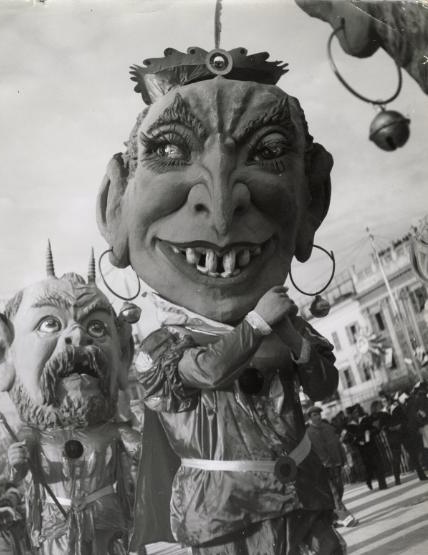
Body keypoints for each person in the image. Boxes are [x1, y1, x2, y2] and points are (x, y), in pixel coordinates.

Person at [97, 42, 344, 553]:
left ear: (313, 196)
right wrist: (256, 325)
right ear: (115, 207)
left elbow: (323, 384)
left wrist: (291, 333)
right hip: (221, 518)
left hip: (303, 506)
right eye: (168, 151)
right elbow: (203, 374)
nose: (222, 205)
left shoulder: (287, 322)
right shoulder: (160, 349)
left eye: (269, 152)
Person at [0, 247, 140, 555]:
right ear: (2, 355)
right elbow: (15, 476)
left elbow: (147, 457)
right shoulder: (32, 437)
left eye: (96, 327)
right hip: (57, 534)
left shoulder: (114, 430)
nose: (78, 337)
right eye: (49, 324)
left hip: (109, 530)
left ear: (123, 355)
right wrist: (15, 465)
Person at [306, 406, 357, 527]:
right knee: (333, 493)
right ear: (310, 418)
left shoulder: (329, 428)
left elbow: (338, 445)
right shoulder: (308, 433)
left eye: (319, 414)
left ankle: (332, 519)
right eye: (314, 415)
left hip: (337, 464)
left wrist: (344, 460)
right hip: (323, 467)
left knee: (339, 490)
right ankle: (347, 518)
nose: (318, 417)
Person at [379, 391, 427, 484]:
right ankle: (397, 479)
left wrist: (400, 425)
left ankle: (422, 475)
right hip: (393, 437)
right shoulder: (382, 413)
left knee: (413, 455)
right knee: (396, 458)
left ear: (389, 400)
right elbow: (382, 425)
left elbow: (405, 419)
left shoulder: (396, 408)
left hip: (403, 434)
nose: (384, 402)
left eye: (385, 400)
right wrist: (390, 428)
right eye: (383, 401)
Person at [344, 404, 387, 490]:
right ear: (351, 415)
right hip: (362, 449)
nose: (357, 414)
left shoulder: (365, 419)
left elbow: (375, 428)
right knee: (369, 467)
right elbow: (347, 439)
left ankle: (382, 484)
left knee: (378, 464)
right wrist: (356, 441)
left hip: (372, 445)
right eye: (354, 412)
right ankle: (368, 480)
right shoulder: (350, 426)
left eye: (357, 412)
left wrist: (370, 432)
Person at [0, 483, 31, 555]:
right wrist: (7, 508)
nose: (4, 520)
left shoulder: (16, 525)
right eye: (2, 517)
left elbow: (26, 539)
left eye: (7, 517)